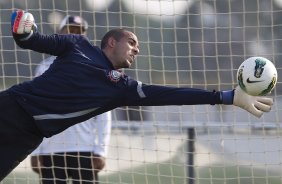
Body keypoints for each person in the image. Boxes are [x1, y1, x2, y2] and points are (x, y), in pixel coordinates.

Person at [0, 9, 274, 180]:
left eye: (138, 45)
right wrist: (24, 30)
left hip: (29, 136)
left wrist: (226, 96)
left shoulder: (122, 87)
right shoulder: (77, 45)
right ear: (111, 42)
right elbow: (35, 41)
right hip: (9, 106)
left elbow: (170, 94)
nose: (137, 49)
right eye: (131, 42)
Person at [29, 15, 111, 184]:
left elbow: (104, 114)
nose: (75, 35)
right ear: (60, 33)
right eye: (70, 30)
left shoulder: (96, 68)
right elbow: (34, 109)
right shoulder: (44, 68)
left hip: (85, 150)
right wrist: (35, 152)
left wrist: (101, 151)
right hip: (51, 152)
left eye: (79, 32)